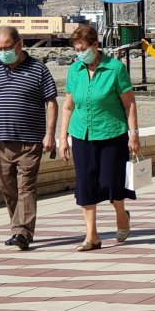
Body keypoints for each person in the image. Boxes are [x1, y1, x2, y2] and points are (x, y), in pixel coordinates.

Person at [0, 26, 59, 251]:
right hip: (1, 141)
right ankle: (17, 228)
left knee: (26, 187)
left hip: (30, 141)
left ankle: (22, 233)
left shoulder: (38, 70)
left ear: (19, 44)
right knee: (8, 189)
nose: (2, 52)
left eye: (6, 48)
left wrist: (50, 134)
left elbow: (52, 102)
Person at [58, 25, 140, 251]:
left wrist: (133, 134)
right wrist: (62, 137)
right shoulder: (75, 70)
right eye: (76, 49)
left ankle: (121, 215)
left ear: (95, 46)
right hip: (81, 134)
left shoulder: (115, 69)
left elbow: (129, 104)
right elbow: (68, 106)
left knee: (110, 183)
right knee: (85, 184)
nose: (79, 53)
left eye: (83, 48)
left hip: (112, 133)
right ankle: (91, 236)